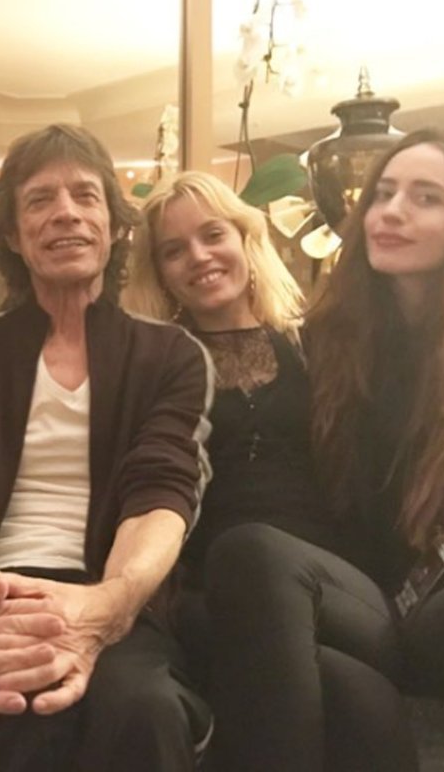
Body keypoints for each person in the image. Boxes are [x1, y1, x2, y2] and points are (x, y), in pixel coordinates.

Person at [205, 126, 444, 771]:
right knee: (250, 549)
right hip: (392, 612)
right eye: (384, 194)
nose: (391, 211)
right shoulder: (334, 341)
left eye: (425, 198)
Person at [0, 124, 214, 771]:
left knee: (144, 708)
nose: (65, 212)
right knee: (11, 707)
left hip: (114, 589)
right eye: (40, 199)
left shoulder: (169, 355)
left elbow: (160, 492)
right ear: (13, 236)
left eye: (85, 195)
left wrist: (107, 606)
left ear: (115, 225)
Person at [123, 171, 341, 721]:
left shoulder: (316, 345)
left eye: (213, 235)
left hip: (332, 583)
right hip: (214, 590)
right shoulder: (154, 370)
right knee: (356, 697)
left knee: (257, 552)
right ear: (161, 274)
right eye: (174, 250)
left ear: (246, 239)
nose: (198, 257)